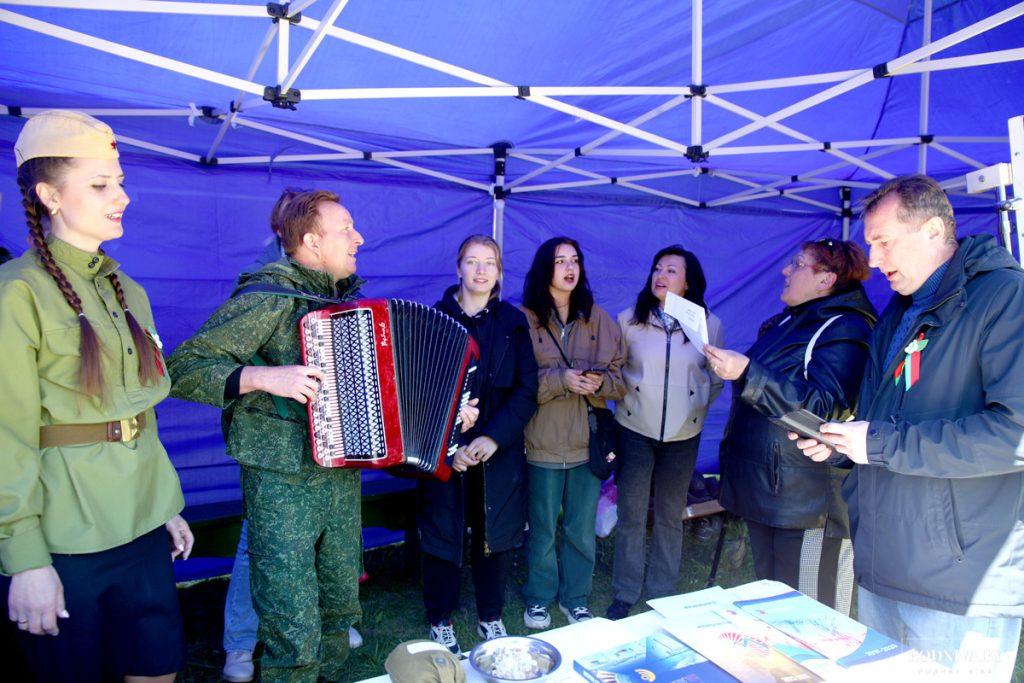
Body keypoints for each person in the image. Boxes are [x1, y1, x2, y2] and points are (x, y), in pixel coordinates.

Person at [794, 175, 1024, 680]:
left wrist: (876, 443)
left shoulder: (1006, 299)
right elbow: (885, 424)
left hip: (959, 585)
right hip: (883, 564)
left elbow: (1015, 436)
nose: (873, 261)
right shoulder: (899, 311)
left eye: (883, 242)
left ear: (934, 230)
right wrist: (842, 445)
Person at [0, 110, 193, 682]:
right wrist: (27, 559)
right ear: (50, 195)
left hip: (143, 524)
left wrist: (168, 504)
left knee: (157, 668)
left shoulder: (126, 288)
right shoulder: (17, 293)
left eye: (121, 181)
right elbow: (6, 437)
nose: (122, 197)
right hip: (65, 537)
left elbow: (140, 412)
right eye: (101, 184)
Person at [167, 189, 368, 682]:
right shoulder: (267, 297)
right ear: (311, 241)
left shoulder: (343, 302)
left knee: (341, 608)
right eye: (346, 229)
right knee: (290, 623)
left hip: (340, 476)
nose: (358, 238)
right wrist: (262, 377)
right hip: (281, 481)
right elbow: (183, 367)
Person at [706, 238, 875, 615]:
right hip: (769, 495)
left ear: (825, 280)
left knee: (815, 619)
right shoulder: (787, 320)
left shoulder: (845, 329)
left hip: (809, 507)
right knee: (778, 613)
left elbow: (822, 408)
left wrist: (747, 372)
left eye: (797, 264)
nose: (785, 270)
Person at [419, 235, 538, 655]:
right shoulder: (434, 319)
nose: (481, 270)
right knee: (442, 534)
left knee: (497, 534)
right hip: (445, 450)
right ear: (458, 269)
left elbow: (527, 390)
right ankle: (440, 619)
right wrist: (449, 446)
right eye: (472, 262)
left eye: (489, 263)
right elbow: (419, 393)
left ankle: (491, 615)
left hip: (496, 451)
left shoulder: (512, 322)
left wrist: (492, 438)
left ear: (500, 273)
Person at [606, 246, 724, 620]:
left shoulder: (708, 324)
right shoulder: (628, 320)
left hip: (683, 435)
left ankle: (662, 594)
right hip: (634, 429)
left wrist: (696, 408)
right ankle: (625, 591)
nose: (661, 275)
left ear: (688, 283)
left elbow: (717, 376)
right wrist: (626, 404)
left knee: (671, 515)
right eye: (657, 268)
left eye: (672, 270)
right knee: (632, 514)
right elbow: (614, 371)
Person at [520, 236, 626, 628]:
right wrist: (561, 379)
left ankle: (576, 599)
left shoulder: (598, 317)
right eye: (560, 260)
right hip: (541, 442)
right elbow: (518, 382)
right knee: (543, 528)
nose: (569, 267)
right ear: (545, 268)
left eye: (575, 260)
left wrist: (599, 384)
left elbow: (621, 377)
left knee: (581, 529)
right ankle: (539, 598)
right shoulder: (526, 318)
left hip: (586, 443)